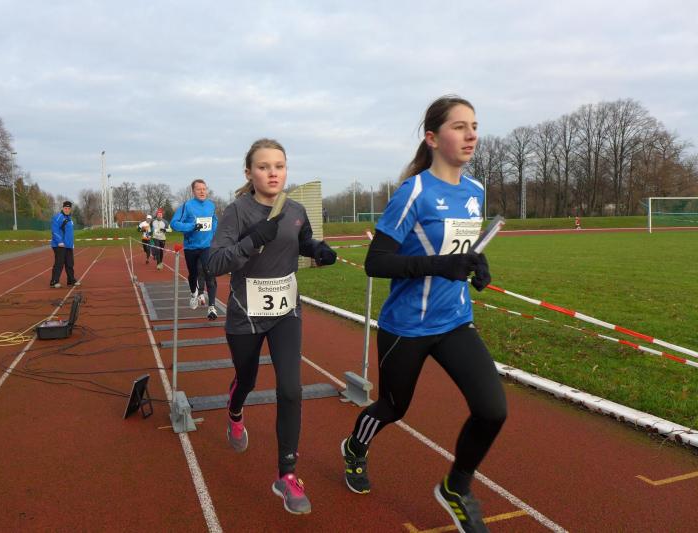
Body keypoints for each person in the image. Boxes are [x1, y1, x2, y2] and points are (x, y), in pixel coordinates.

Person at [339, 96, 506, 533]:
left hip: (455, 321)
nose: (471, 135)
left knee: (492, 410)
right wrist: (440, 265)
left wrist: (477, 264)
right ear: (432, 138)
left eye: (474, 126)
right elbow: (376, 262)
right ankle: (355, 447)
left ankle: (456, 487)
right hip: (407, 326)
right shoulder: (412, 192)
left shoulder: (475, 191)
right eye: (459, 127)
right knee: (393, 407)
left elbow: (461, 249)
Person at [206, 139, 337, 515]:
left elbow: (302, 240)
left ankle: (287, 475)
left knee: (291, 389)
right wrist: (251, 241)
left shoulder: (295, 209)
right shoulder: (237, 211)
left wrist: (317, 250)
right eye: (264, 167)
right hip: (245, 315)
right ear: (249, 173)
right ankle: (234, 412)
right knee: (247, 380)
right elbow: (214, 263)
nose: (273, 173)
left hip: (286, 312)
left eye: (279, 165)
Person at [170, 179, 219, 320]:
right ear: (193, 191)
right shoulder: (187, 206)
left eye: (204, 189)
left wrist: (213, 232)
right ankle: (193, 293)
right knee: (193, 274)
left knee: (210, 273)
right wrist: (192, 226)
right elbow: (174, 223)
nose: (202, 191)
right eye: (199, 189)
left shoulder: (211, 205)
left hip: (207, 246)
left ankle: (212, 307)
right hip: (191, 247)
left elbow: (214, 220)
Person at [50, 200, 80, 288]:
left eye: (68, 208)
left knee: (70, 263)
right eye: (65, 208)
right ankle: (54, 281)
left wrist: (71, 244)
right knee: (59, 263)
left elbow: (69, 233)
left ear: (70, 209)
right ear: (63, 208)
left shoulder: (70, 219)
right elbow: (54, 230)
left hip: (68, 245)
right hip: (59, 245)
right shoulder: (58, 217)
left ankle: (71, 280)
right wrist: (59, 241)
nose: (67, 210)